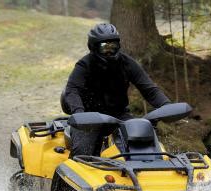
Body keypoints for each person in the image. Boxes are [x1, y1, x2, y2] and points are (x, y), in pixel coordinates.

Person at [61, 23, 171, 157]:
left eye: (113, 46)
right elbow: (72, 90)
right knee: (81, 153)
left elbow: (149, 89)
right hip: (89, 118)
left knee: (142, 144)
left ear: (118, 45)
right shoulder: (84, 65)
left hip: (119, 115)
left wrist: (166, 106)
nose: (109, 50)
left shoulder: (127, 63)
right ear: (93, 46)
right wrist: (79, 113)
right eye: (104, 47)